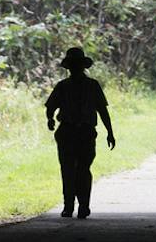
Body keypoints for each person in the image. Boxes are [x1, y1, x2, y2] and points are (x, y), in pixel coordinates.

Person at [44, 45, 116, 218]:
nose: (75, 68)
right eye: (73, 64)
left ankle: (79, 205)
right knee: (74, 169)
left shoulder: (89, 86)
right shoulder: (71, 86)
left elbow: (102, 110)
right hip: (72, 133)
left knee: (77, 169)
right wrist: (50, 119)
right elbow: (51, 107)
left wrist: (110, 132)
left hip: (82, 132)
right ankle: (73, 206)